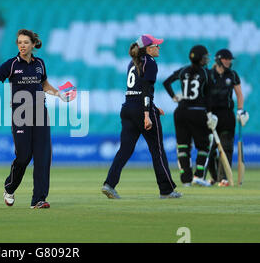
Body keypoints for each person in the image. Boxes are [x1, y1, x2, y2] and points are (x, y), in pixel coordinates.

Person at [0, 29, 73, 209]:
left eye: (26, 42)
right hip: (21, 115)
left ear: (33, 44)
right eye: (19, 42)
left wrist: (58, 94)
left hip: (41, 114)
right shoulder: (11, 64)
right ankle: (9, 188)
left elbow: (44, 84)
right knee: (23, 157)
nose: (22, 45)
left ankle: (39, 199)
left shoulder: (40, 63)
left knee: (43, 157)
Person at [101, 34, 181, 199]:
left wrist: (152, 107)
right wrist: (147, 113)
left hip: (128, 108)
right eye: (156, 46)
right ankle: (166, 190)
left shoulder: (133, 62)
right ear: (149, 49)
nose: (159, 48)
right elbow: (145, 90)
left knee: (125, 149)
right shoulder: (150, 63)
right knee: (157, 150)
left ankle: (109, 184)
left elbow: (137, 90)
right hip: (141, 110)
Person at [163, 45, 217, 187]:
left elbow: (166, 82)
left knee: (183, 147)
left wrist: (174, 96)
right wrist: (210, 114)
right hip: (197, 111)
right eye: (205, 57)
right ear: (200, 59)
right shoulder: (206, 73)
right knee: (204, 146)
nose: (207, 60)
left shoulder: (183, 70)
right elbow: (209, 97)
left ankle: (186, 179)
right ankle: (198, 176)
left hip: (180, 112)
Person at [206, 48, 249, 186]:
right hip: (211, 114)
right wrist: (207, 113)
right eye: (226, 59)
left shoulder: (233, 74)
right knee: (210, 148)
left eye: (230, 59)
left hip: (227, 115)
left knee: (227, 146)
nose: (229, 61)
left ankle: (223, 178)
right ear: (219, 59)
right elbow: (203, 94)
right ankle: (214, 176)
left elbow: (239, 94)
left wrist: (240, 110)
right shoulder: (209, 74)